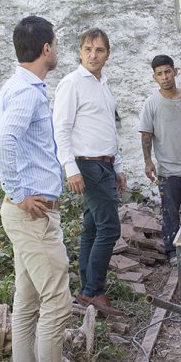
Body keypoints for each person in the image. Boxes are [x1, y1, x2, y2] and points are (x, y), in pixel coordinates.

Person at [0, 15, 84, 362]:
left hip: (28, 215)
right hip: (34, 216)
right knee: (57, 304)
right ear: (47, 49)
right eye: (57, 44)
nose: (58, 50)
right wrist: (17, 193)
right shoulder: (27, 93)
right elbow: (3, 142)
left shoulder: (17, 86)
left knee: (26, 304)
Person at [53, 28, 126, 318]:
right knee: (110, 228)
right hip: (86, 164)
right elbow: (60, 128)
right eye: (87, 49)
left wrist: (118, 166)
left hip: (105, 164)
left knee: (93, 228)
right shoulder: (72, 83)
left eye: (99, 50)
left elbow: (110, 128)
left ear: (108, 54)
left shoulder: (104, 85)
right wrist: (70, 168)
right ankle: (94, 291)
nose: (93, 55)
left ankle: (86, 291)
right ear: (80, 52)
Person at [138, 54, 181, 264]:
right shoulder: (151, 103)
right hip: (168, 170)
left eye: (167, 72)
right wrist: (148, 162)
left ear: (175, 71)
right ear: (154, 77)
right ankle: (172, 252)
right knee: (170, 213)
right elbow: (146, 134)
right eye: (160, 74)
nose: (165, 77)